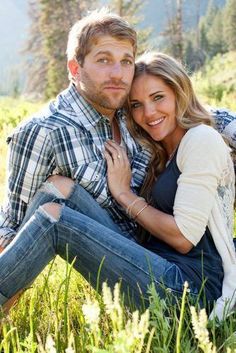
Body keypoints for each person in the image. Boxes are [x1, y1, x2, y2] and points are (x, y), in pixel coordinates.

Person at [0, 52, 235, 321]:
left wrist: (123, 194)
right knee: (58, 187)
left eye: (158, 97)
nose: (149, 113)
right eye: (136, 104)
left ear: (179, 93)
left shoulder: (201, 139)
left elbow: (183, 238)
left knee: (55, 219)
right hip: (155, 264)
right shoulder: (160, 148)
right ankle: (8, 292)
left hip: (188, 292)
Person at [0, 8, 151, 252]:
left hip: (165, 245)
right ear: (74, 69)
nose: (118, 74)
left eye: (126, 61)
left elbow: (191, 112)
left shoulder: (133, 109)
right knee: (58, 188)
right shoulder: (45, 132)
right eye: (103, 60)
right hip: (120, 261)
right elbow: (13, 229)